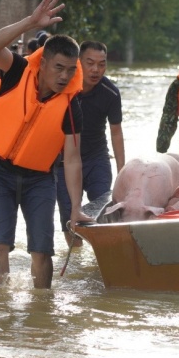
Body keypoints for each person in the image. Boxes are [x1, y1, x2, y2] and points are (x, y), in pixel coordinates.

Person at [0, 0, 93, 289]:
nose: (65, 76)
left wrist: (76, 207)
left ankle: (42, 310)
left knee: (42, 250)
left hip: (40, 179)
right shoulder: (17, 71)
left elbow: (73, 159)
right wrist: (29, 22)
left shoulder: (70, 105)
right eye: (58, 68)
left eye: (71, 70)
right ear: (43, 63)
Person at [55, 40, 125, 247]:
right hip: (63, 161)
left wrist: (122, 172)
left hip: (96, 159)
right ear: (78, 62)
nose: (96, 70)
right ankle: (76, 259)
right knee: (69, 219)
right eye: (90, 63)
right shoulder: (62, 88)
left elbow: (116, 132)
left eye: (101, 64)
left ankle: (100, 261)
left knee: (102, 212)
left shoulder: (110, 92)